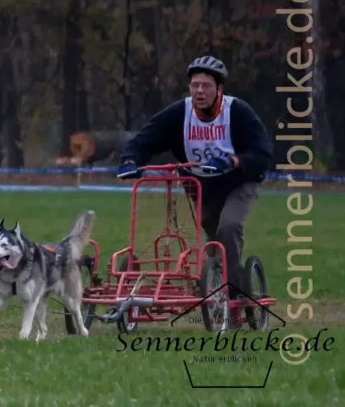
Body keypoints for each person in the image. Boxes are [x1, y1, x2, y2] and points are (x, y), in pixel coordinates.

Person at [116, 55, 272, 328]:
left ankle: (233, 299)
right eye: (194, 85)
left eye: (206, 86)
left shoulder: (238, 112)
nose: (199, 91)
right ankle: (215, 281)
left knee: (229, 226)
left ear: (219, 89)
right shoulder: (179, 113)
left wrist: (235, 160)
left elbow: (262, 152)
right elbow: (145, 139)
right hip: (202, 186)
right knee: (215, 238)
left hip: (240, 182)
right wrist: (131, 160)